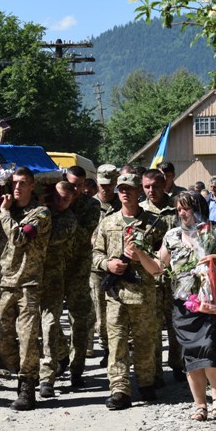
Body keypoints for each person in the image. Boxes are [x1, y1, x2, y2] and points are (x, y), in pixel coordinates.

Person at [130, 192, 216, 421]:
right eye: (179, 209)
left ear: (199, 209)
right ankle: (199, 404)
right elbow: (158, 269)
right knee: (191, 355)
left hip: (215, 303)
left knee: (212, 348)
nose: (183, 213)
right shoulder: (172, 236)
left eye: (187, 208)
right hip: (184, 305)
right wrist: (140, 252)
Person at [91, 173, 166, 410]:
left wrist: (143, 256)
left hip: (143, 293)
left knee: (145, 341)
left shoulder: (155, 223)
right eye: (121, 189)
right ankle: (120, 389)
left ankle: (145, 382)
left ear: (138, 192)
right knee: (117, 342)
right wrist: (108, 265)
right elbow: (95, 254)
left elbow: (163, 258)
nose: (125, 193)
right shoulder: (108, 222)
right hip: (115, 294)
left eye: (130, 189)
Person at [0, 167, 51, 410]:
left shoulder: (41, 213)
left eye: (23, 183)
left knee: (27, 340)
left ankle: (27, 387)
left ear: (32, 186)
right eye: (14, 183)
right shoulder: (3, 211)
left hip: (28, 284)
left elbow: (20, 238)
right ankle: (16, 370)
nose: (17, 187)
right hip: (4, 283)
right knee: (2, 339)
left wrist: (4, 214)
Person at [139, 169, 184, 386]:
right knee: (152, 326)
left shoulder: (176, 208)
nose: (151, 191)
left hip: (175, 277)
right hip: (150, 278)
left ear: (164, 184)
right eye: (147, 187)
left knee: (177, 323)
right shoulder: (140, 211)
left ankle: (177, 364)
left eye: (155, 186)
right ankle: (155, 371)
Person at [60, 165, 100, 388]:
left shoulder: (91, 206)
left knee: (80, 320)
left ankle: (77, 369)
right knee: (47, 317)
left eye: (79, 186)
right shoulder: (54, 200)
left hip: (78, 267)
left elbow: (84, 235)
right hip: (55, 267)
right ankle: (60, 354)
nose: (75, 190)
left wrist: (64, 211)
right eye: (71, 184)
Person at [38, 181, 77, 398]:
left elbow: (46, 237)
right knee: (36, 326)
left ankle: (47, 377)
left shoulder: (68, 220)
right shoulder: (41, 211)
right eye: (58, 197)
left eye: (66, 199)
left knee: (50, 325)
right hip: (32, 277)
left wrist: (42, 210)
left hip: (53, 278)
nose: (60, 202)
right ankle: (62, 353)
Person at [90, 163, 121, 368]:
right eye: (102, 184)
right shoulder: (88, 204)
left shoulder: (123, 204)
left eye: (109, 184)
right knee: (100, 312)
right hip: (95, 266)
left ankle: (117, 349)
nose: (105, 188)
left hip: (119, 267)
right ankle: (106, 348)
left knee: (117, 312)